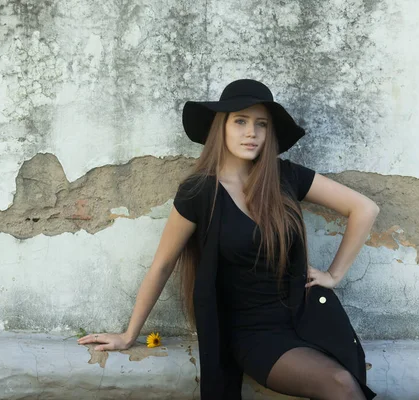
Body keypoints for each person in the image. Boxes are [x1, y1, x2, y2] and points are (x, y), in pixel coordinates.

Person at [78, 79, 378, 399]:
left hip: (308, 316)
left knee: (347, 378)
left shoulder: (285, 176)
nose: (251, 132)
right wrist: (129, 334)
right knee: (340, 384)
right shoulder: (199, 192)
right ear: (220, 127)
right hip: (251, 332)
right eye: (240, 121)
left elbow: (364, 208)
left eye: (261, 124)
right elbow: (163, 264)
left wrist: (334, 274)